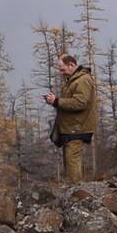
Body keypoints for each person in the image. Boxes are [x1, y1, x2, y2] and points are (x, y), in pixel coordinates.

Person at [43, 52, 97, 185]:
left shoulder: (82, 80)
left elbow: (80, 102)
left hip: (77, 127)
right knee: (71, 160)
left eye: (63, 69)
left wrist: (57, 101)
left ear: (71, 65)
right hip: (72, 127)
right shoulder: (74, 81)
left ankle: (77, 194)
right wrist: (55, 101)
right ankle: (76, 191)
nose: (61, 73)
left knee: (72, 160)